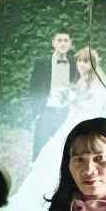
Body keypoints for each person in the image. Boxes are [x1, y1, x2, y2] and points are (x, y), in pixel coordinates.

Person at [3, 46, 106, 211]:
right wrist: (69, 98)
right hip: (70, 124)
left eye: (85, 61)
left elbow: (97, 106)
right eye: (80, 61)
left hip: (82, 126)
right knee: (51, 159)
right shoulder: (80, 80)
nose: (82, 65)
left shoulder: (98, 84)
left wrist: (77, 101)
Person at [28, 30, 78, 159]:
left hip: (66, 112)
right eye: (59, 40)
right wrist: (37, 112)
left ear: (70, 44)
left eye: (65, 40)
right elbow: (33, 88)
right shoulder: (41, 63)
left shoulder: (75, 63)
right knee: (41, 146)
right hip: (46, 110)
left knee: (65, 147)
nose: (62, 43)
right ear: (53, 43)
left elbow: (78, 86)